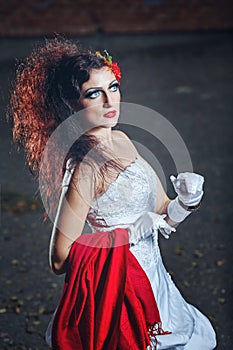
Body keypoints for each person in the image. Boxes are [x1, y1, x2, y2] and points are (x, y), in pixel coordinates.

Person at [8, 37, 216, 349]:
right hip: (121, 288)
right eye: (94, 94)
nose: (110, 101)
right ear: (72, 103)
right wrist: (130, 235)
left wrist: (186, 201)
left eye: (113, 87)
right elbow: (60, 259)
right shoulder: (84, 170)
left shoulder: (121, 140)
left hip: (156, 279)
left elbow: (162, 211)